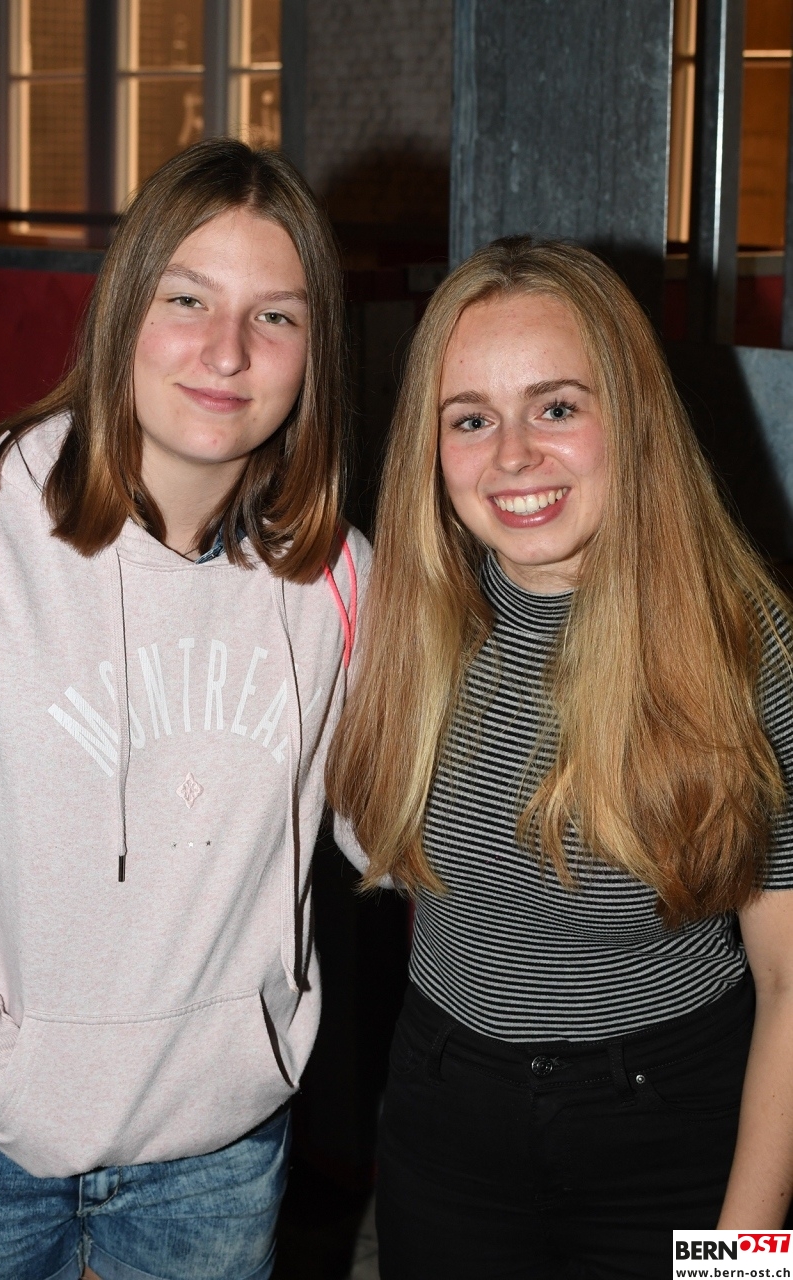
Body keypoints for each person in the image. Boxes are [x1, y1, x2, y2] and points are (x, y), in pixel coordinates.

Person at [0, 138, 367, 1280]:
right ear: (125, 306)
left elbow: (391, 830)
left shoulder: (337, 577)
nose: (227, 350)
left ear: (315, 349)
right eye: (188, 299)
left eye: (275, 315)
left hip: (219, 1149)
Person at [327, 236, 793, 1278]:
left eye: (555, 407)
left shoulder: (746, 649)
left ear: (629, 415)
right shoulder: (398, 627)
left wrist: (748, 1260)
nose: (511, 456)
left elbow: (790, 982)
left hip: (677, 1130)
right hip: (444, 1118)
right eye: (469, 418)